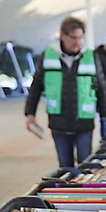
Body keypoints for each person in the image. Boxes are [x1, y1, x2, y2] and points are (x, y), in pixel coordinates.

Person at [25, 16, 99, 168]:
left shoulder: (91, 56)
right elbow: (36, 86)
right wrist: (30, 113)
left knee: (86, 167)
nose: (77, 42)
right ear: (62, 35)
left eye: (80, 37)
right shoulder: (48, 55)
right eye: (73, 37)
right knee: (65, 168)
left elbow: (102, 88)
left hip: (84, 124)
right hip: (59, 123)